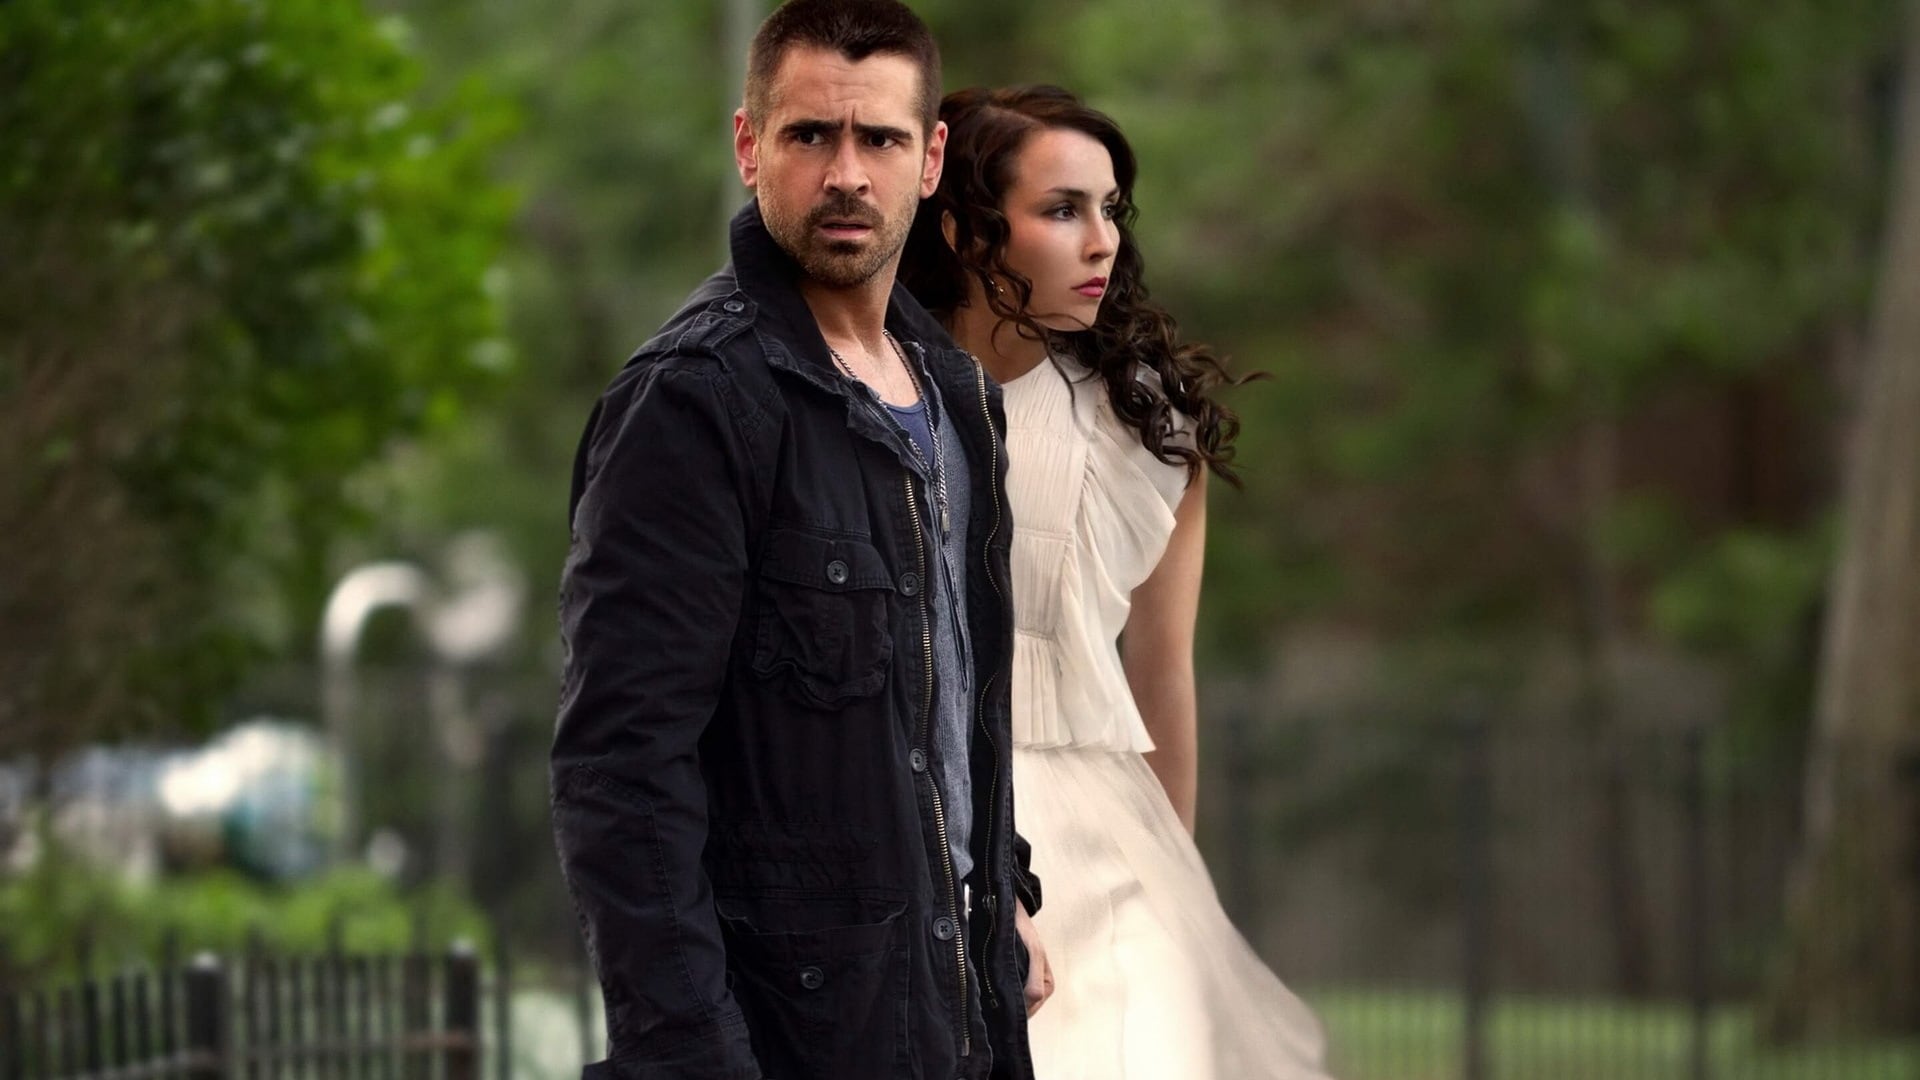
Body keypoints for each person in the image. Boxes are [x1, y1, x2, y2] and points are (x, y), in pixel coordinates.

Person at [549, 5, 1049, 1079]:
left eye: (881, 139)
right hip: (786, 1039)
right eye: (810, 134)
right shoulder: (693, 402)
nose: (847, 174)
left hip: (958, 1018)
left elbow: (953, 708)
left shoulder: (958, 396)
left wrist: (999, 892)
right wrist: (691, 1054)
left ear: (931, 160)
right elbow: (622, 770)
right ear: (749, 146)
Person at [902, 84, 1333, 1080]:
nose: (1102, 241)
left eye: (1110, 210)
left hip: (1111, 850)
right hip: (922, 821)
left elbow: (1163, 670)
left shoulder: (1148, 426)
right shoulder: (877, 398)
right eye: (1063, 209)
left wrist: (1177, 886)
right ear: (965, 230)